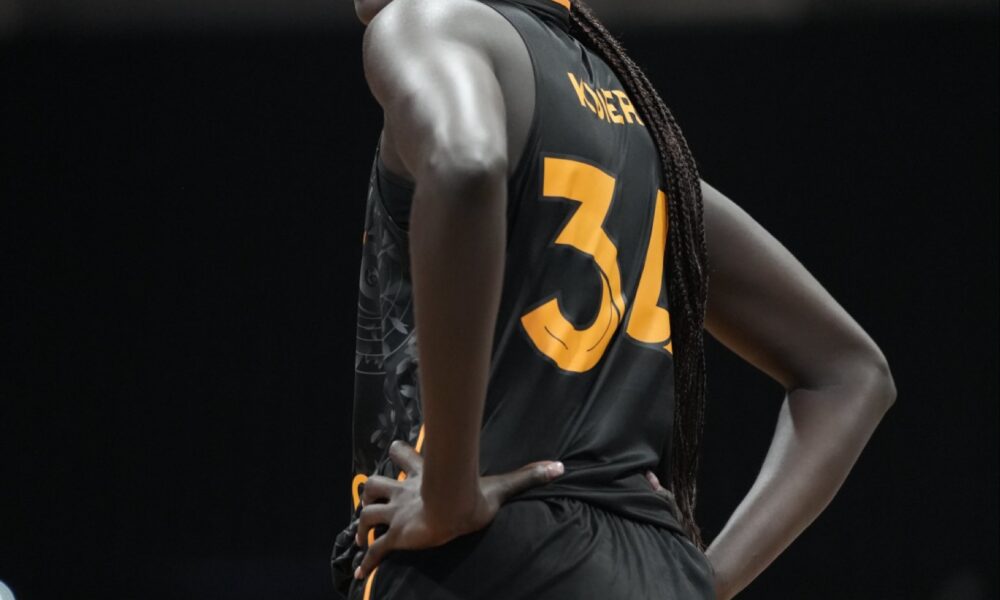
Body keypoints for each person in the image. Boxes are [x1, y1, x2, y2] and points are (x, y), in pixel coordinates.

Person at [330, 0, 897, 598]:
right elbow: (851, 373)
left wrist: (449, 494)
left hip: (491, 555)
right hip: (655, 565)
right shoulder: (639, 137)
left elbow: (466, 166)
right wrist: (700, 583)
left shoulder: (430, 21)